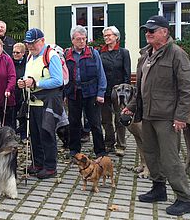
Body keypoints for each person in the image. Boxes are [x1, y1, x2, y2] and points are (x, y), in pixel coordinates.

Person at [123, 15, 190, 216]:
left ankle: (184, 198)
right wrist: (131, 107)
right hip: (147, 114)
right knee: (151, 154)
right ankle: (158, 188)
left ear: (165, 32)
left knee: (170, 158)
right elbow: (140, 88)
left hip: (167, 117)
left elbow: (187, 88)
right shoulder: (146, 55)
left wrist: (181, 116)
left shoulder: (177, 54)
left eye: (152, 30)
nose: (148, 33)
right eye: (146, 30)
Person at [17, 28, 65, 179]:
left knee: (47, 134)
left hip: (48, 102)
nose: (30, 46)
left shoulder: (51, 55)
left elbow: (58, 80)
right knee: (35, 135)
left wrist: (36, 82)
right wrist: (23, 82)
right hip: (33, 102)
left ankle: (50, 167)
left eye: (33, 43)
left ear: (42, 41)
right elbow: (28, 76)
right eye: (28, 43)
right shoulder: (30, 57)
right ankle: (37, 163)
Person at [64, 25, 107, 158]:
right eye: (78, 39)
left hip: (91, 92)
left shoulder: (93, 53)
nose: (82, 41)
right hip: (74, 92)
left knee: (95, 123)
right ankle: (74, 149)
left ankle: (100, 151)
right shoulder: (66, 54)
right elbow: (63, 76)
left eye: (84, 39)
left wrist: (101, 93)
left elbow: (101, 74)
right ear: (72, 40)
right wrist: (64, 94)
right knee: (74, 122)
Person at [100, 26, 131, 156]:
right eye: (105, 36)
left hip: (119, 92)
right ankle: (109, 143)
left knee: (119, 119)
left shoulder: (124, 52)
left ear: (116, 37)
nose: (107, 38)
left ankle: (121, 145)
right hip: (104, 91)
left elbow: (127, 74)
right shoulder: (100, 53)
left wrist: (125, 92)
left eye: (109, 35)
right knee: (106, 119)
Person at [12, 42, 27, 140]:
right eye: (13, 53)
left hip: (23, 93)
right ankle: (12, 135)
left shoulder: (27, 63)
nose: (15, 55)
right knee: (12, 115)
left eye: (17, 53)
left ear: (23, 53)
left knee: (23, 115)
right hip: (13, 92)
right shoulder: (10, 62)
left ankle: (23, 135)